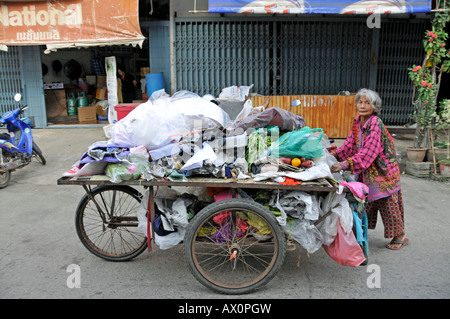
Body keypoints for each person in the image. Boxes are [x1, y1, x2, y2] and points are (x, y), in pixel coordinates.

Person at [329, 88, 408, 250]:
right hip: (369, 172)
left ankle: (400, 234)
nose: (362, 105)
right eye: (360, 102)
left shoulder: (375, 124)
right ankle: (360, 232)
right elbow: (350, 145)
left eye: (367, 103)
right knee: (364, 201)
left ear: (374, 107)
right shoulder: (358, 122)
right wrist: (334, 155)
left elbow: (367, 153)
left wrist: (343, 165)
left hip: (383, 172)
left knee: (387, 204)